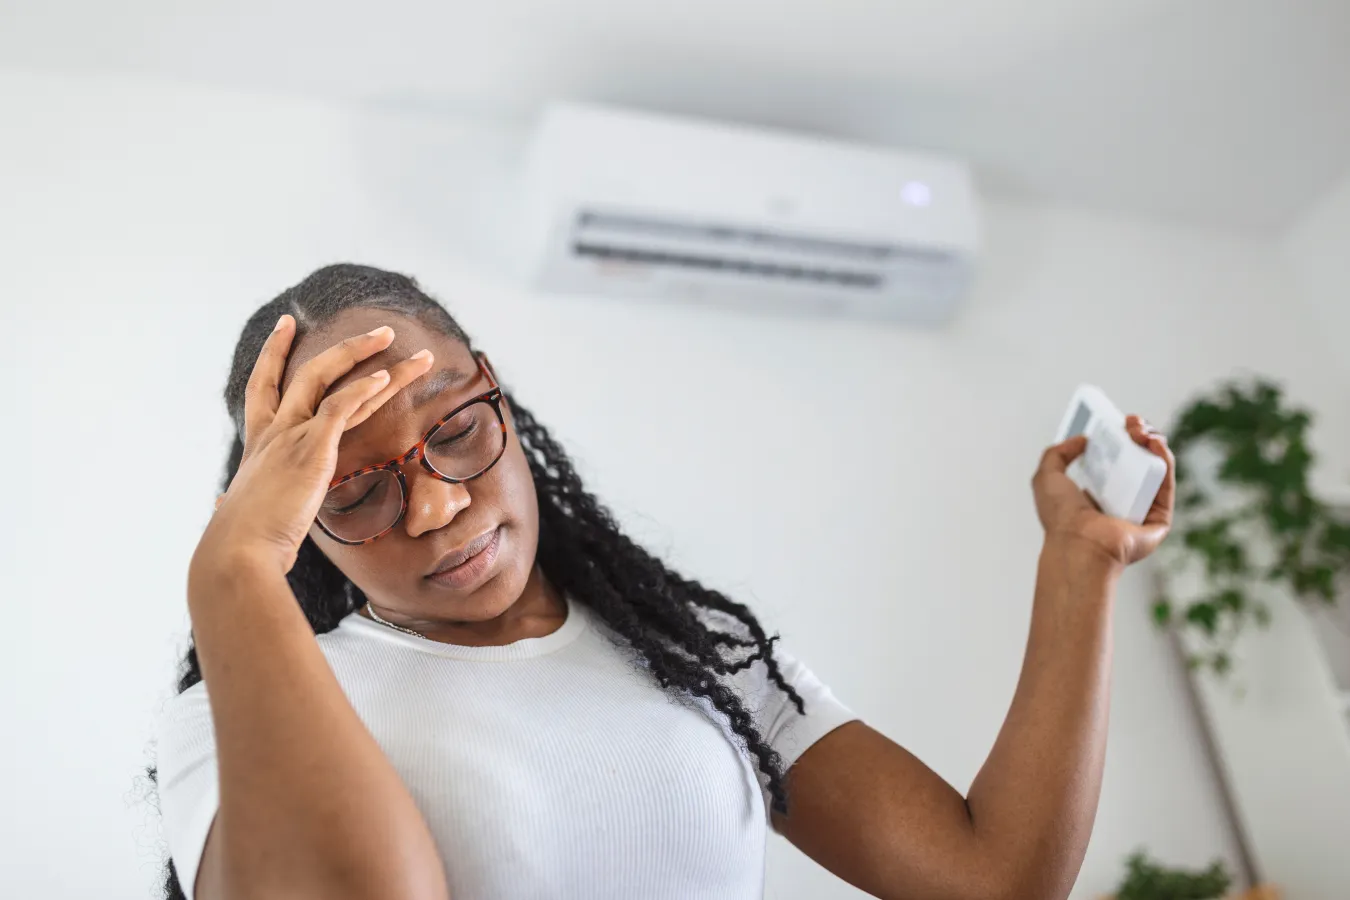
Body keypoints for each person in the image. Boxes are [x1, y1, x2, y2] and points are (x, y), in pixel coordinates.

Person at [153, 263, 1175, 900]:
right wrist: (234, 573)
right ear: (289, 516)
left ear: (497, 392)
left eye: (456, 432)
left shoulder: (689, 656)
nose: (433, 508)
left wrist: (1079, 564)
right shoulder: (228, 725)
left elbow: (990, 878)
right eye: (356, 493)